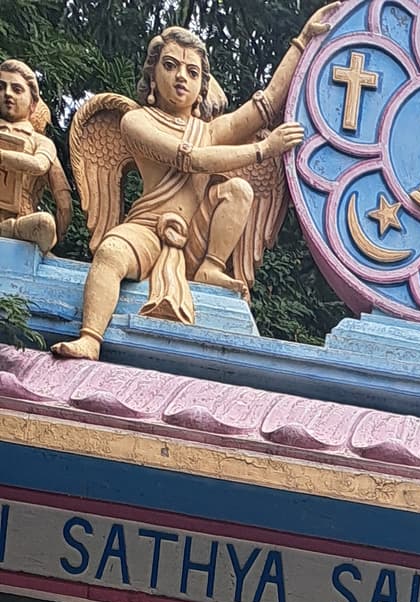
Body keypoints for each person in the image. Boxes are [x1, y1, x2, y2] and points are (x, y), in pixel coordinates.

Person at [53, 12, 335, 360]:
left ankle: (211, 266)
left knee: (238, 190)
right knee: (111, 254)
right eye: (170, 66)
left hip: (194, 239)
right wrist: (263, 149)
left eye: (192, 72)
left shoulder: (209, 129)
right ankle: (91, 338)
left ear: (203, 85)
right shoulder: (136, 121)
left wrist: (303, 41)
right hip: (148, 231)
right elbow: (192, 159)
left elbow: (263, 108)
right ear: (152, 75)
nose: (181, 77)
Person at [0, 58, 71, 254]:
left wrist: (3, 156)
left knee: (44, 222)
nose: (7, 94)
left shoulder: (42, 142)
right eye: (1, 87)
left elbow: (41, 167)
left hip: (21, 219)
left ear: (33, 103)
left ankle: (8, 230)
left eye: (17, 89)